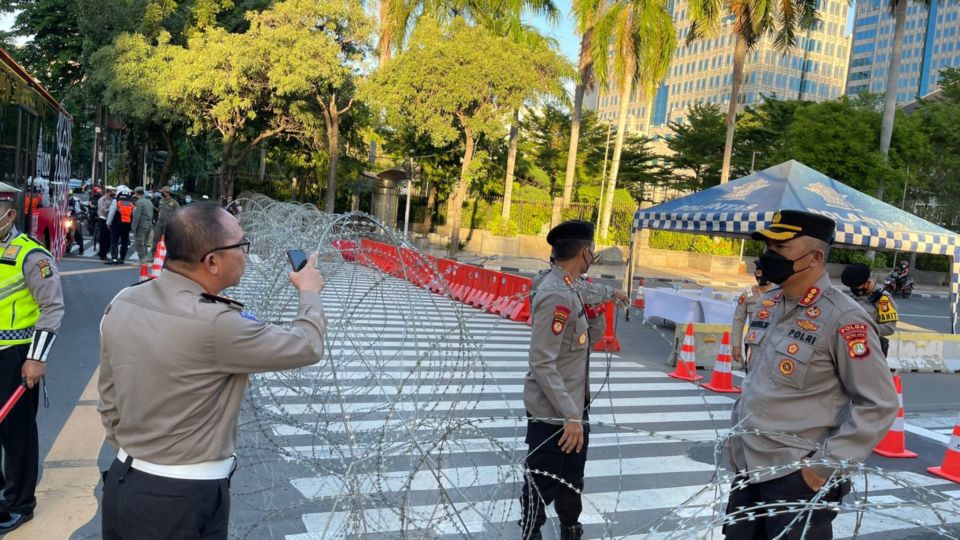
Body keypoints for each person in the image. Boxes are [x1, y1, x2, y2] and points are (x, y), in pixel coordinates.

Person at [98, 202, 327, 539]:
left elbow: (108, 397)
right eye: (241, 245)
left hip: (125, 483)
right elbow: (307, 345)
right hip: (180, 501)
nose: (246, 254)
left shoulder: (125, 300)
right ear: (212, 261)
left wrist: (141, 449)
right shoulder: (215, 323)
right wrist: (309, 292)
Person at [724, 210, 899, 539]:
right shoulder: (769, 304)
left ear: (814, 257)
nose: (769, 256)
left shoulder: (845, 319)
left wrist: (821, 470)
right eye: (769, 247)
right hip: (750, 467)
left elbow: (879, 403)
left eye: (781, 248)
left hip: (796, 476)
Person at [519, 220, 627, 540]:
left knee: (572, 476)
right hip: (554, 411)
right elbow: (542, 361)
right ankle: (530, 532)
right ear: (585, 252)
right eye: (591, 250)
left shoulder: (570, 285)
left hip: (573, 407)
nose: (593, 255)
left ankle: (570, 526)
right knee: (542, 479)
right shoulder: (556, 294)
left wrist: (605, 300)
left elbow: (588, 331)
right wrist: (570, 415)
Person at [0, 183, 65, 534]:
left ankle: (19, 505)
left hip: (14, 358)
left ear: (10, 215)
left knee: (17, 434)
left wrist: (36, 360)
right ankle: (3, 492)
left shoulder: (32, 256)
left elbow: (52, 309)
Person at [840, 263, 898, 356]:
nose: (854, 290)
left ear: (868, 281)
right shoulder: (853, 296)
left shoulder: (883, 299)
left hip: (870, 350)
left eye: (857, 287)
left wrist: (861, 329)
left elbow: (889, 328)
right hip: (849, 347)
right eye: (852, 287)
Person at [731, 260, 775, 370]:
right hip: (752, 343)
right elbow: (738, 320)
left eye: (761, 273)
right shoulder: (748, 294)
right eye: (757, 272)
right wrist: (736, 345)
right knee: (750, 376)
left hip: (772, 344)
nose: (758, 276)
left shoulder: (779, 294)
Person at [105, 186, 135, 265]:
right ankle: (122, 259)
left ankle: (114, 259)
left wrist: (108, 222)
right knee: (124, 242)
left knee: (114, 241)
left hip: (117, 224)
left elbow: (112, 212)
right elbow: (133, 213)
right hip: (127, 224)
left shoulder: (116, 200)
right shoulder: (131, 200)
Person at [130, 187, 155, 263]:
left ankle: (142, 260)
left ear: (136, 193)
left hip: (141, 224)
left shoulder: (139, 202)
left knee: (139, 242)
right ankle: (145, 258)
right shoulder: (149, 201)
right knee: (145, 242)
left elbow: (136, 216)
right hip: (149, 224)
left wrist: (133, 227)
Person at [154, 186, 179, 253]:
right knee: (156, 239)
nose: (161, 193)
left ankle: (168, 255)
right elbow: (160, 210)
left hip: (168, 224)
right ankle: (153, 254)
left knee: (168, 241)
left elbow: (178, 214)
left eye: (163, 192)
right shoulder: (161, 200)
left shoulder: (174, 203)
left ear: (167, 193)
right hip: (159, 223)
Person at [96, 186, 116, 261]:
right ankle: (102, 255)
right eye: (111, 193)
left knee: (108, 239)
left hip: (109, 220)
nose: (112, 194)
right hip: (103, 219)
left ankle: (104, 253)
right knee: (103, 238)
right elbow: (103, 210)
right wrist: (112, 208)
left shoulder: (112, 200)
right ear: (107, 192)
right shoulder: (102, 200)